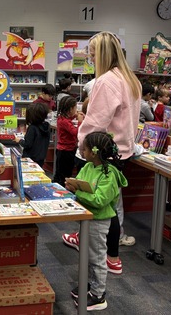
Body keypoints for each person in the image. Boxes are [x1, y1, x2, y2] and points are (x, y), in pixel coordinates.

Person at [62, 31, 141, 267]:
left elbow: (95, 122)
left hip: (100, 153)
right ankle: (106, 251)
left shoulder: (106, 81)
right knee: (111, 203)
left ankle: (108, 254)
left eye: (93, 55)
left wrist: (81, 148)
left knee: (101, 205)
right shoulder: (130, 79)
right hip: (122, 151)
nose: (91, 60)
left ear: (103, 55)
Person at [65, 132, 128, 311]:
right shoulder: (88, 166)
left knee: (97, 257)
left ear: (94, 152)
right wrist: (72, 186)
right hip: (86, 218)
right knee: (86, 255)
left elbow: (100, 200)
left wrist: (78, 192)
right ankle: (87, 285)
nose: (81, 151)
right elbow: (81, 183)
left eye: (83, 149)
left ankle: (99, 294)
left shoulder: (110, 174)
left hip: (99, 221)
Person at [55, 96, 83, 186]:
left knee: (61, 172)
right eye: (75, 108)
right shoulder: (64, 121)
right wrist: (80, 122)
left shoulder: (62, 118)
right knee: (65, 174)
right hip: (66, 151)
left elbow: (69, 121)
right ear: (71, 109)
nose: (76, 110)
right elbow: (76, 132)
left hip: (64, 150)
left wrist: (75, 116)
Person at [16, 102, 50, 167]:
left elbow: (27, 144)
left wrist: (19, 140)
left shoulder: (32, 128)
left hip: (30, 158)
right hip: (41, 157)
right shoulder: (46, 126)